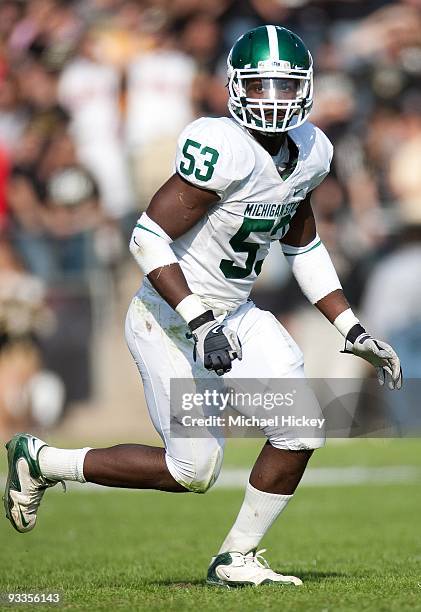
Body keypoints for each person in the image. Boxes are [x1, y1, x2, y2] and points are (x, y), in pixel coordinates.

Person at [4, 26, 402, 588]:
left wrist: (350, 324)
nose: (274, 100)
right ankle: (43, 460)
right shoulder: (222, 146)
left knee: (301, 429)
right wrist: (198, 319)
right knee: (193, 471)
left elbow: (302, 242)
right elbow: (146, 237)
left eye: (286, 87)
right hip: (170, 319)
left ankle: (236, 557)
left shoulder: (313, 149)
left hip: (235, 315)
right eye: (261, 87)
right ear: (237, 88)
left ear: (307, 89)